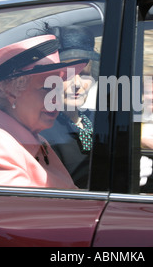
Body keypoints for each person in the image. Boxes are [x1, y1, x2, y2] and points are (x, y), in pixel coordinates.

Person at [0, 34, 88, 188]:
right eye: (46, 89)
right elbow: (29, 210)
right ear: (11, 93)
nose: (55, 100)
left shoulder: (36, 140)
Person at [41, 26, 99, 188]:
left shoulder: (98, 118)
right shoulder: (44, 131)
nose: (78, 84)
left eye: (85, 74)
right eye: (68, 75)